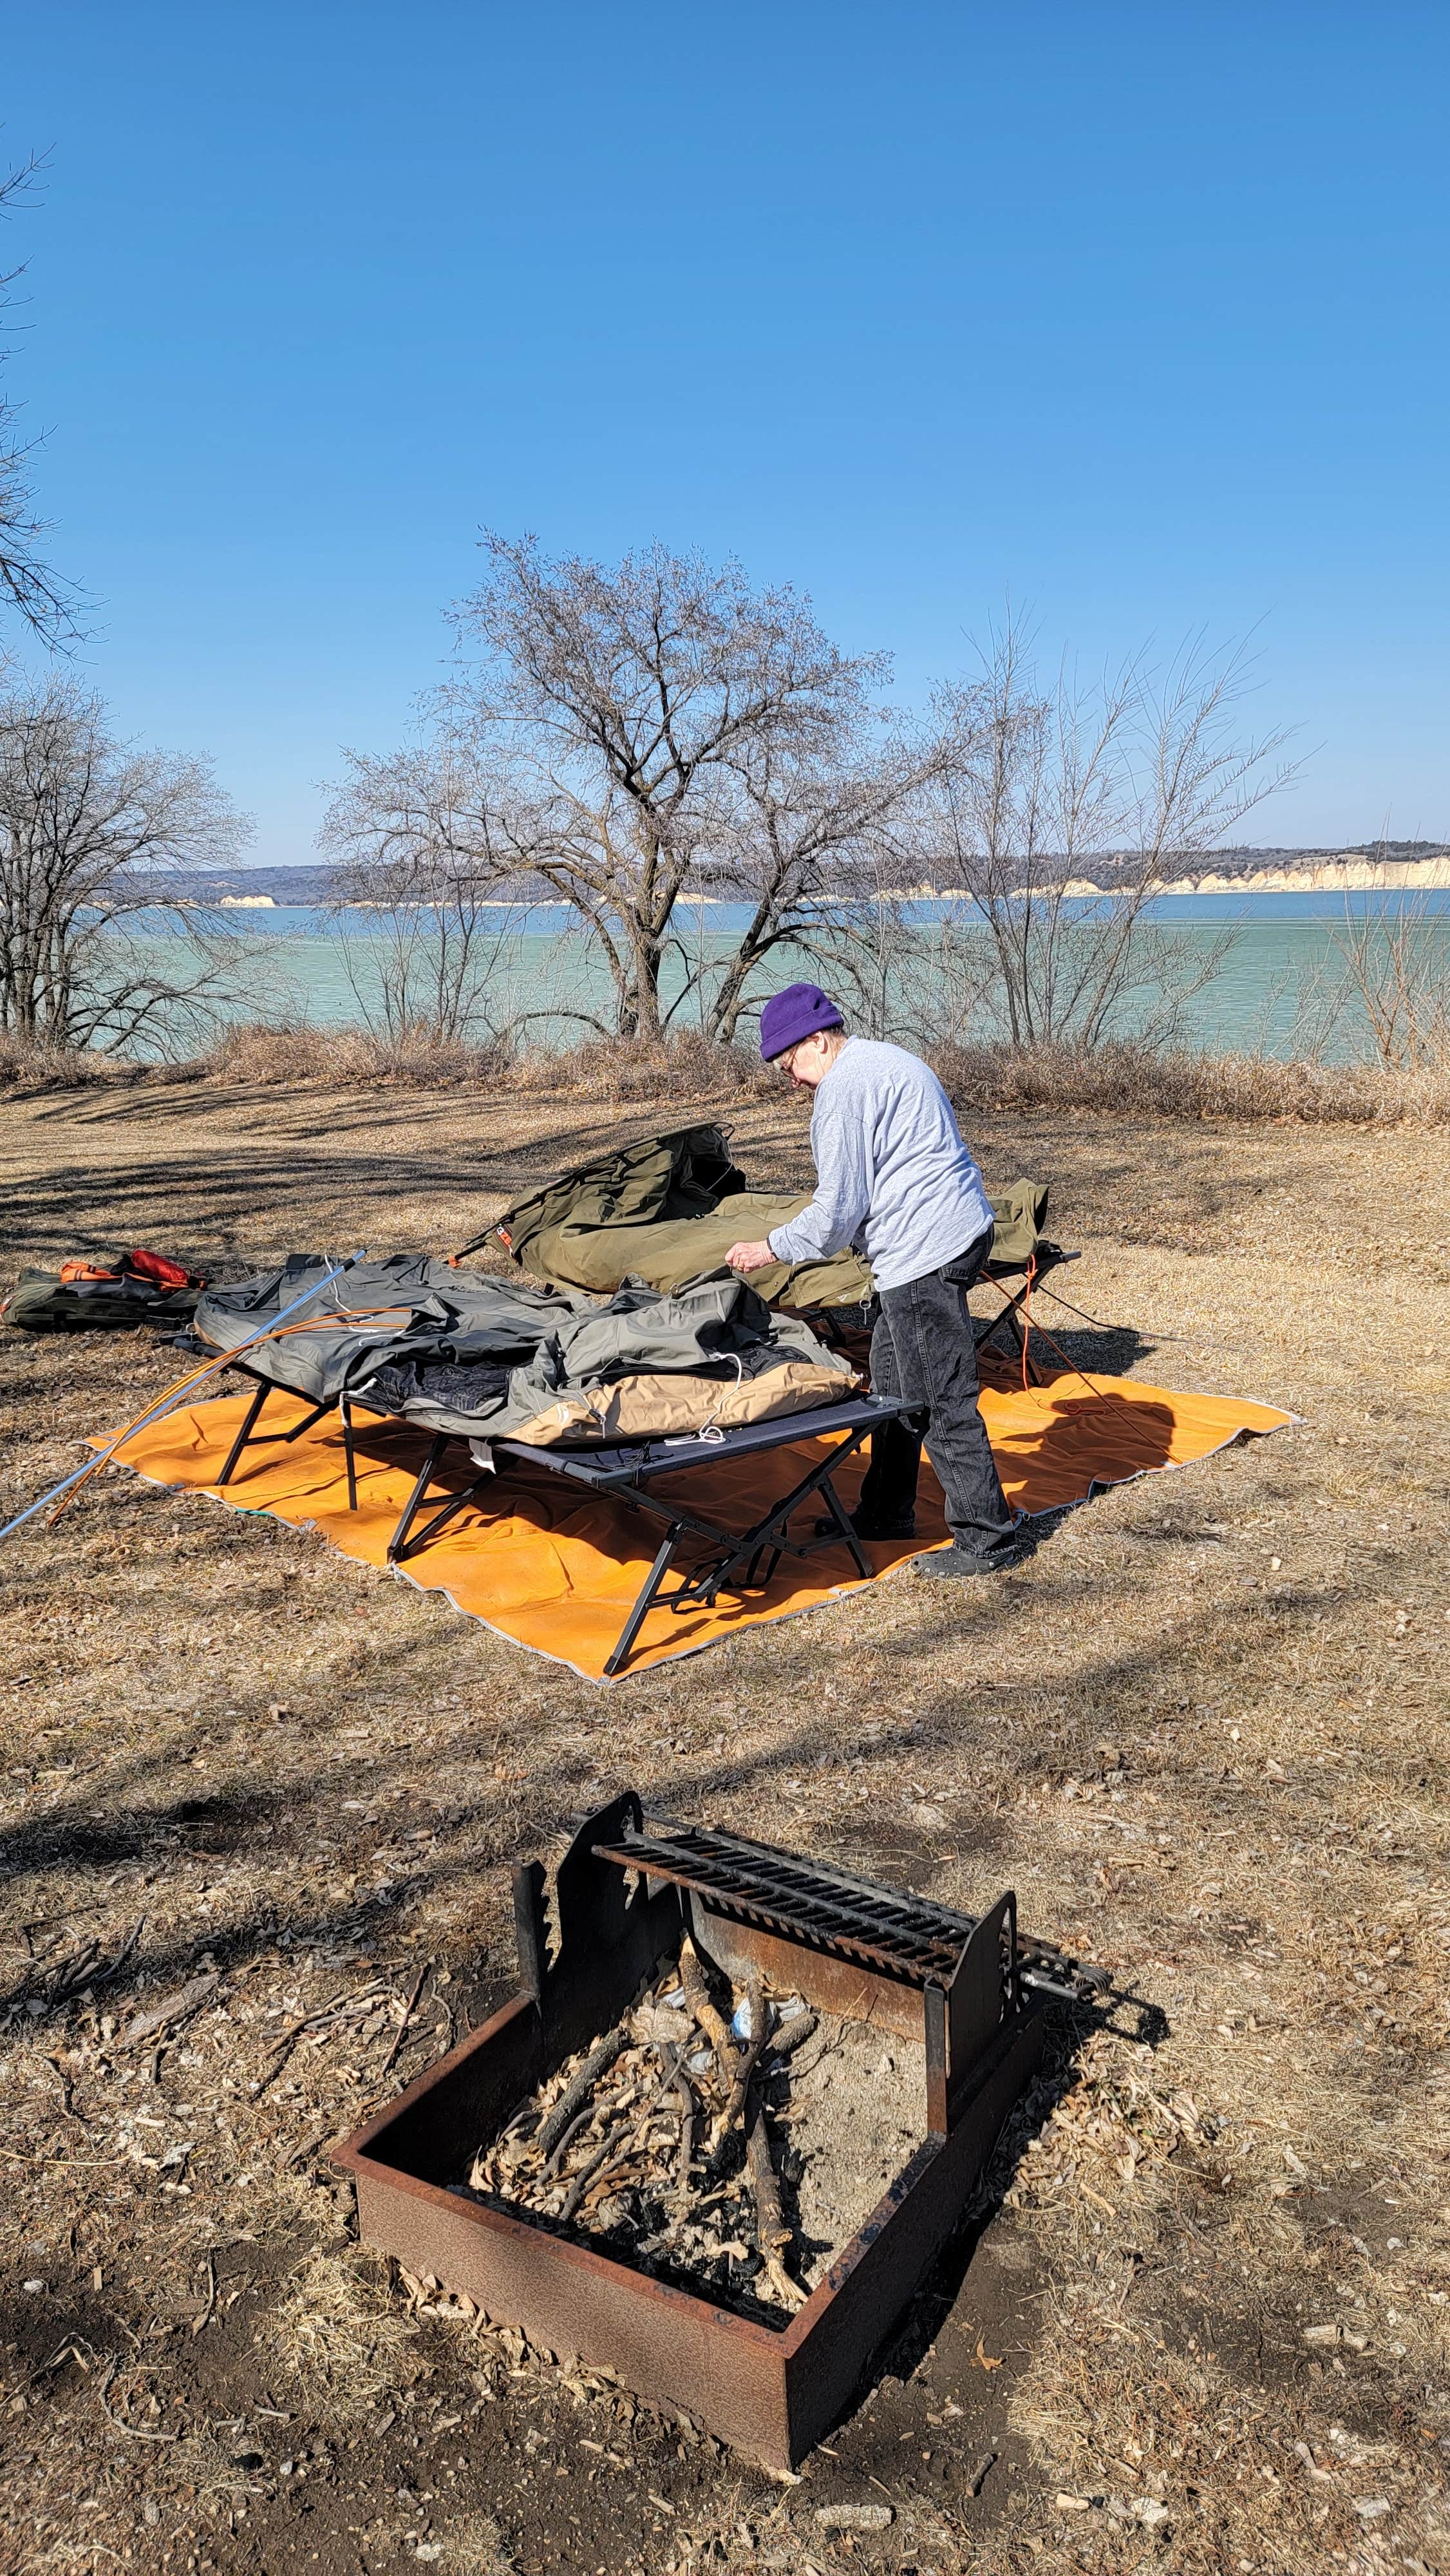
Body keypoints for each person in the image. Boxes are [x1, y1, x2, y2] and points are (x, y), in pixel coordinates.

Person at [724, 981, 1024, 1577]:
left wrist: (770, 1248)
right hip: (959, 1229)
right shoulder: (888, 1058)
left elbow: (837, 1213)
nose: (791, 1080)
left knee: (940, 1398)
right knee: (893, 1386)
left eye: (790, 1065)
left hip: (922, 1252)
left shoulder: (843, 1090)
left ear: (818, 1041)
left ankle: (987, 1539)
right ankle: (887, 1511)